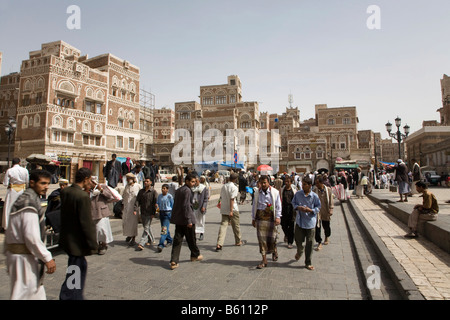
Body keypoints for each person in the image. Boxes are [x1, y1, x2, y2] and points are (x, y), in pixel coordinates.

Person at [5, 170, 56, 300]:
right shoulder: (29, 204)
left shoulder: (23, 199)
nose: (46, 187)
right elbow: (31, 237)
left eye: (48, 184)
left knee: (35, 293)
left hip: (19, 257)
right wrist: (47, 257)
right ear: (32, 183)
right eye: (43, 183)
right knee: (23, 294)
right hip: (24, 259)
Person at [59, 167, 98, 300]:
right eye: (90, 180)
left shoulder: (66, 192)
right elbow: (86, 223)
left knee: (75, 268)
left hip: (67, 238)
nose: (91, 183)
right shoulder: (82, 196)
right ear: (86, 179)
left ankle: (71, 295)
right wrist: (93, 243)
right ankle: (69, 296)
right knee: (77, 270)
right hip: (77, 242)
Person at [169, 173, 203, 270]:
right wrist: (188, 220)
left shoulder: (179, 190)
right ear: (187, 181)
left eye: (194, 181)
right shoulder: (187, 191)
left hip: (179, 219)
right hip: (187, 219)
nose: (193, 183)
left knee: (177, 240)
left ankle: (174, 260)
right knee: (191, 239)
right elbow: (186, 206)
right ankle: (195, 254)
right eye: (192, 181)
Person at [251, 175, 282, 269]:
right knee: (261, 240)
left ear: (268, 183)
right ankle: (264, 259)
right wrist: (253, 218)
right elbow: (254, 206)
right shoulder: (257, 193)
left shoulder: (275, 192)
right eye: (261, 183)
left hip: (271, 218)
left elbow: (278, 205)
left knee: (273, 238)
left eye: (265, 182)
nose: (263, 184)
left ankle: (274, 250)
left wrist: (278, 217)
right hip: (260, 218)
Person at [291, 176, 321, 271]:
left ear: (309, 186)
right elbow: (293, 203)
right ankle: (300, 250)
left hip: (310, 223)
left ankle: (308, 262)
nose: (302, 186)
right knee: (298, 240)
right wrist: (298, 207)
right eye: (302, 184)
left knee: (310, 243)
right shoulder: (298, 194)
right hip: (300, 222)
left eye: (304, 185)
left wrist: (311, 210)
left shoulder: (314, 196)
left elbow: (318, 207)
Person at [90, 177, 120, 255]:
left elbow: (109, 196)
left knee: (101, 229)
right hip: (92, 213)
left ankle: (103, 245)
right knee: (94, 231)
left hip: (102, 212)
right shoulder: (87, 189)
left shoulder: (102, 187)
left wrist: (101, 190)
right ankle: (96, 245)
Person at [215, 173, 245, 251]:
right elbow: (232, 199)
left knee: (223, 226)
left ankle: (219, 243)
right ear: (235, 179)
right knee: (236, 225)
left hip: (224, 208)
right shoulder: (234, 187)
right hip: (233, 209)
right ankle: (238, 241)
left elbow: (221, 197)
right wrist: (231, 211)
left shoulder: (224, 186)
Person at [2, 158, 29, 230]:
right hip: (22, 190)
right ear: (19, 162)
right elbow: (27, 182)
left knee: (9, 207)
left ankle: (8, 226)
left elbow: (5, 183)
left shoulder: (10, 170)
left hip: (12, 190)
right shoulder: (25, 170)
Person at [134, 177, 158, 251]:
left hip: (150, 212)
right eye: (145, 181)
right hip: (143, 212)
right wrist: (135, 209)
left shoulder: (153, 192)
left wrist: (154, 213)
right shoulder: (141, 191)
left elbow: (155, 203)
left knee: (146, 227)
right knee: (146, 227)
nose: (145, 182)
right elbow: (137, 201)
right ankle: (151, 239)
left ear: (151, 182)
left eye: (147, 181)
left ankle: (141, 243)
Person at [313, 175, 334, 251]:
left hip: (325, 210)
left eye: (318, 183)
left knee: (326, 226)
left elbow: (331, 200)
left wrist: (331, 208)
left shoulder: (328, 190)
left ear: (322, 183)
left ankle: (327, 236)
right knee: (317, 228)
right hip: (317, 212)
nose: (316, 185)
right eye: (316, 183)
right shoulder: (315, 190)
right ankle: (319, 242)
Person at [122, 173, 142, 246]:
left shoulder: (138, 186)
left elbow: (141, 197)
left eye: (129, 178)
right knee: (126, 222)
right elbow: (124, 197)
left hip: (134, 209)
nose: (127, 180)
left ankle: (133, 238)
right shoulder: (126, 187)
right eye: (127, 179)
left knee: (133, 224)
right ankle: (129, 235)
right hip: (127, 208)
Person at [156, 184, 174, 252]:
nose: (163, 190)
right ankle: (169, 240)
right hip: (161, 213)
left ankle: (161, 244)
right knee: (165, 228)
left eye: (164, 188)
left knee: (164, 229)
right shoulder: (160, 196)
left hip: (167, 213)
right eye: (162, 188)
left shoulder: (169, 196)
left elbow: (172, 205)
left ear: (167, 189)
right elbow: (158, 203)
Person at [280, 176, 297, 249]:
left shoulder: (294, 190)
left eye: (288, 182)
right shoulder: (282, 190)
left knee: (291, 226)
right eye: (285, 182)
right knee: (283, 225)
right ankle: (286, 234)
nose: (286, 183)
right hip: (283, 210)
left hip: (291, 210)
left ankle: (290, 242)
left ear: (291, 183)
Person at [192, 177, 209, 241]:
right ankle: (194, 233)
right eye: (194, 181)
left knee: (201, 220)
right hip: (194, 206)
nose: (195, 183)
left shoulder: (203, 188)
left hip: (201, 206)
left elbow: (206, 198)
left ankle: (201, 233)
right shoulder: (192, 189)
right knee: (194, 220)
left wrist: (204, 206)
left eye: (196, 181)